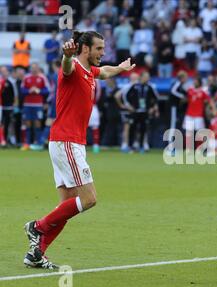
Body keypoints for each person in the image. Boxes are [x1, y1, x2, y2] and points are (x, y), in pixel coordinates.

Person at [23, 30, 136, 269]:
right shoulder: (73, 67)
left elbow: (105, 71)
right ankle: (38, 226)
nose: (102, 53)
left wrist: (121, 68)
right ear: (85, 49)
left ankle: (36, 253)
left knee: (67, 207)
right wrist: (66, 56)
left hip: (67, 143)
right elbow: (65, 67)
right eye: (99, 49)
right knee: (89, 199)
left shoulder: (91, 71)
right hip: (67, 142)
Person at [20, 63, 49, 151]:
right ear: (30, 69)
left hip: (38, 105)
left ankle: (38, 143)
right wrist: (29, 90)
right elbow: (22, 90)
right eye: (32, 68)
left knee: (37, 123)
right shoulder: (26, 78)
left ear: (38, 68)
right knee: (27, 123)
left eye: (35, 68)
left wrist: (38, 90)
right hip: (27, 104)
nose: (34, 69)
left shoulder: (42, 78)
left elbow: (47, 90)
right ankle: (27, 143)